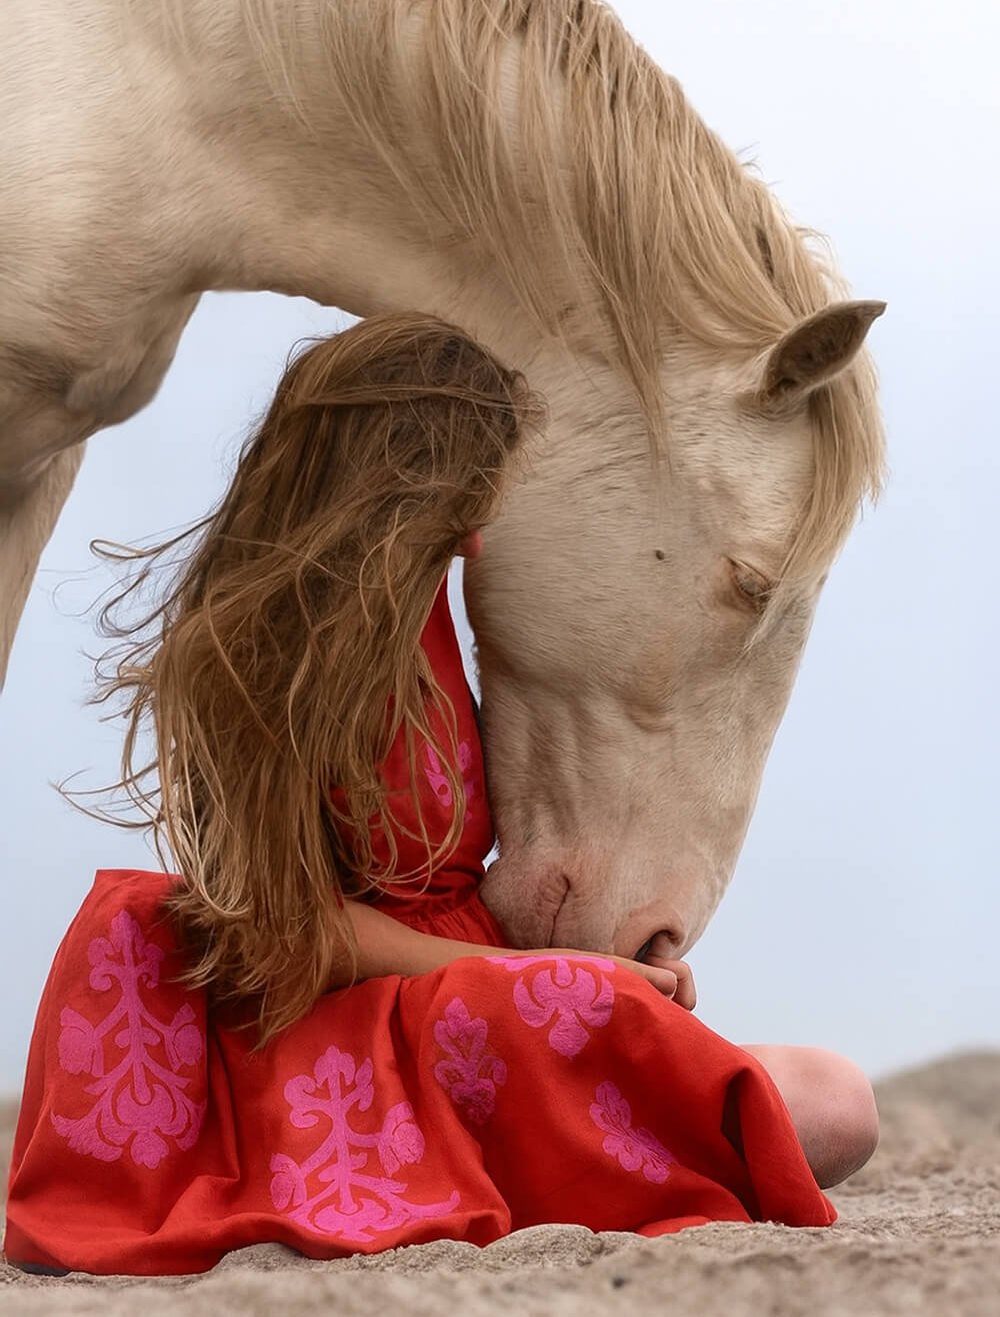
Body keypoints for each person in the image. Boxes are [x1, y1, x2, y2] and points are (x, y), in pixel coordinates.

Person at [4, 314, 877, 1277]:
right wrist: (531, 980)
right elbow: (286, 932)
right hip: (362, 1024)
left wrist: (596, 963)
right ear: (409, 479)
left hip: (460, 994)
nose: (487, 518)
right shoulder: (267, 653)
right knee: (832, 1107)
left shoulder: (421, 605)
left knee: (831, 1101)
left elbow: (436, 868)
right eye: (480, 475)